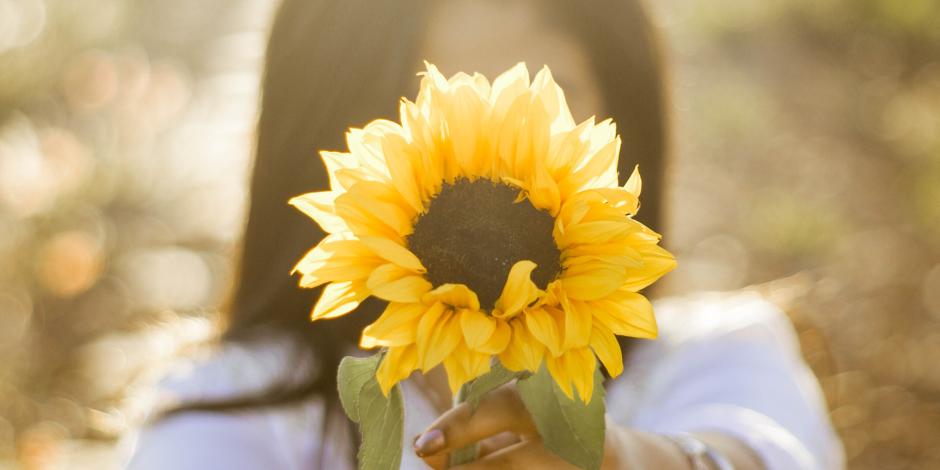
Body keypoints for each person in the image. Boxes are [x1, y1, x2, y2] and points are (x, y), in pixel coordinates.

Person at [124, 0, 844, 469]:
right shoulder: (242, 402)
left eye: (549, 90)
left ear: (625, 115)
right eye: (424, 92)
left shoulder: (715, 353)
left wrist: (624, 458)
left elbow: (760, 450)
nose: (494, 133)